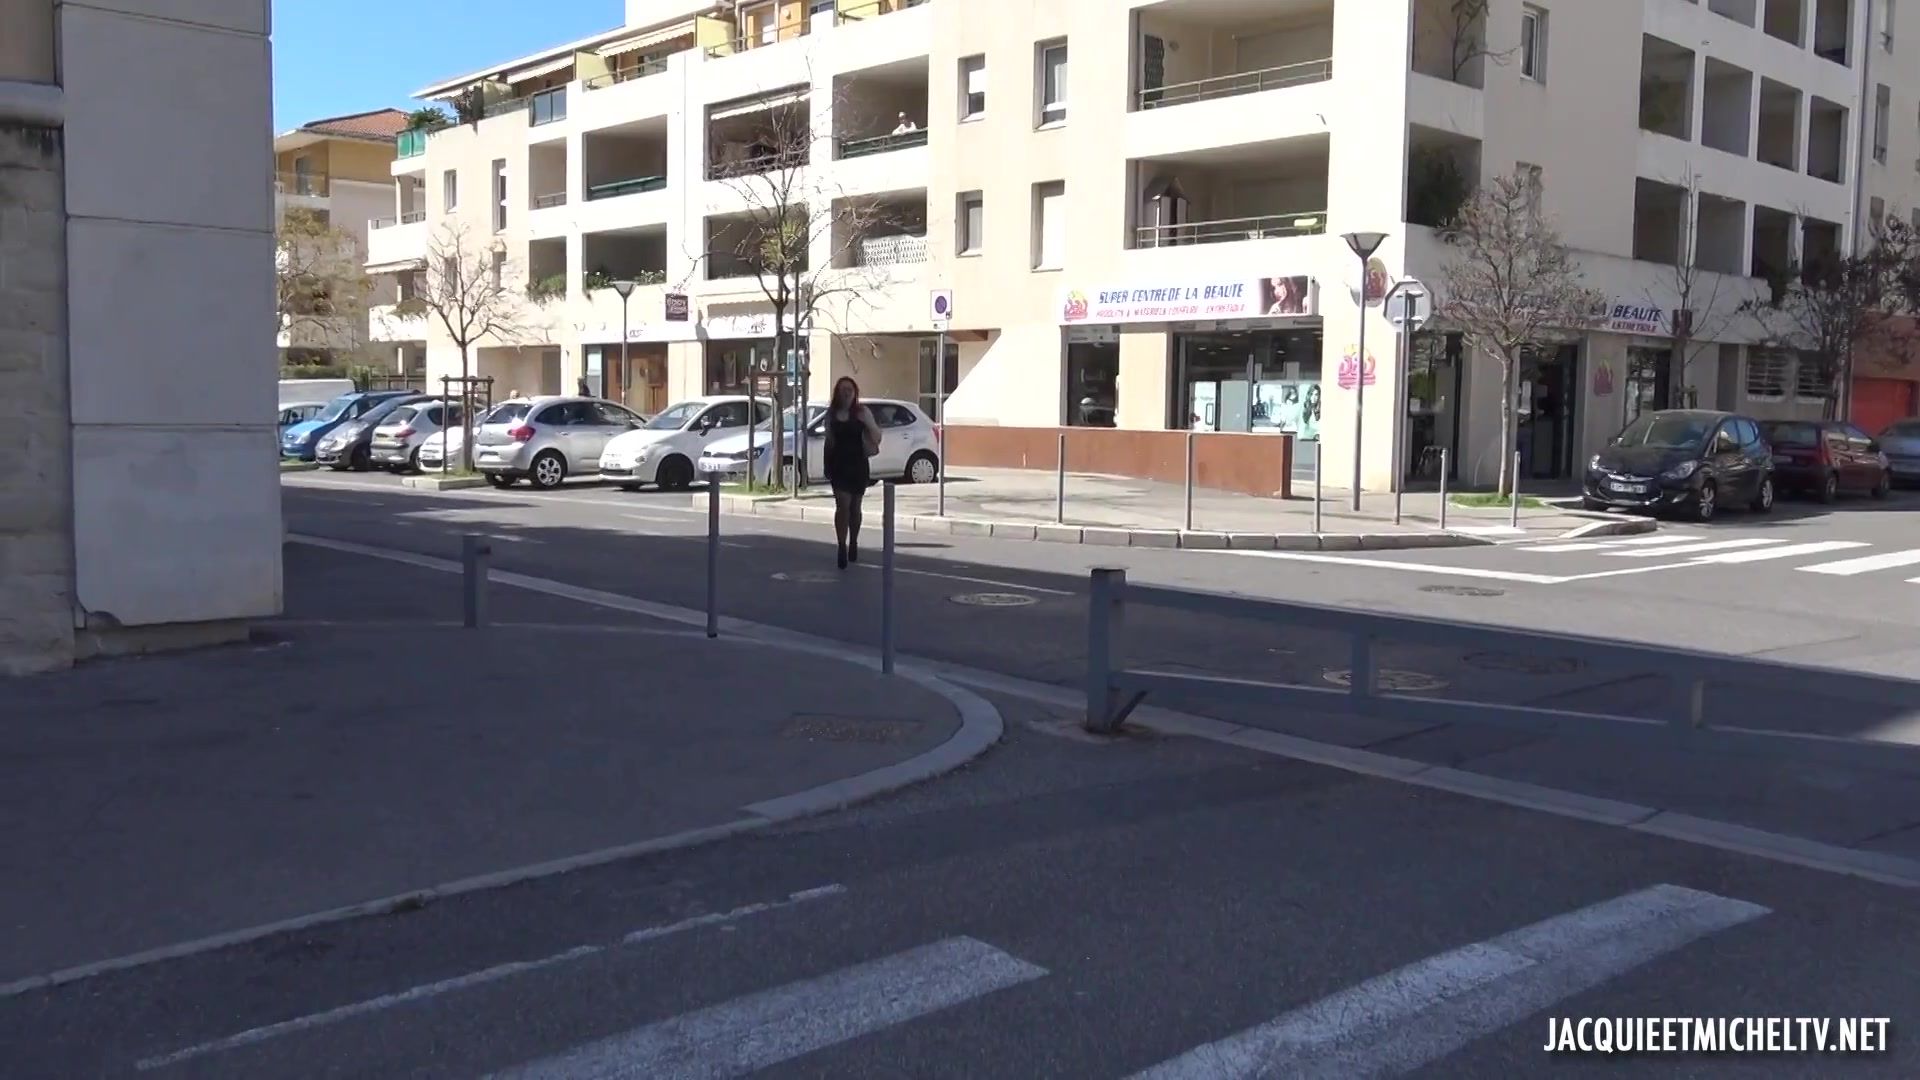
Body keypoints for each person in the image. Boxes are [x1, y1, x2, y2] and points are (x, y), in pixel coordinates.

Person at [823, 376, 882, 569]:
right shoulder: (832, 414)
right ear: (837, 393)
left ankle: (853, 541)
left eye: (850, 389)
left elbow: (877, 437)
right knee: (843, 506)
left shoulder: (862, 412)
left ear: (855, 392)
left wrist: (869, 423)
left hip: (858, 464)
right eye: (843, 389)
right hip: (838, 465)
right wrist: (826, 465)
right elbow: (829, 441)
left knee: (855, 508)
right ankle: (841, 545)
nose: (847, 393)